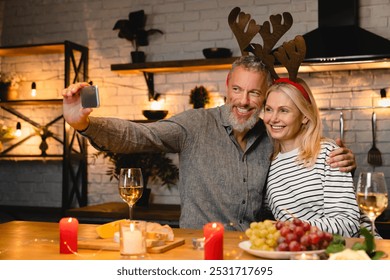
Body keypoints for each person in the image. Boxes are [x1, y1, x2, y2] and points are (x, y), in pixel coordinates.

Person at [62, 55, 356, 231]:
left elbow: (305, 150)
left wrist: (342, 159)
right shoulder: (194, 125)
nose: (243, 101)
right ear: (227, 86)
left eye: (254, 93)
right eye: (237, 89)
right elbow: (140, 135)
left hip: (251, 254)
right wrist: (83, 123)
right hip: (197, 251)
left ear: (266, 95)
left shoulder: (272, 135)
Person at [263, 77, 368, 237]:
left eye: (284, 110)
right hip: (303, 255)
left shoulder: (328, 153)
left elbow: (348, 223)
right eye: (269, 109)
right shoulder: (268, 164)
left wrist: (291, 228)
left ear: (305, 116)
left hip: (351, 252)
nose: (273, 118)